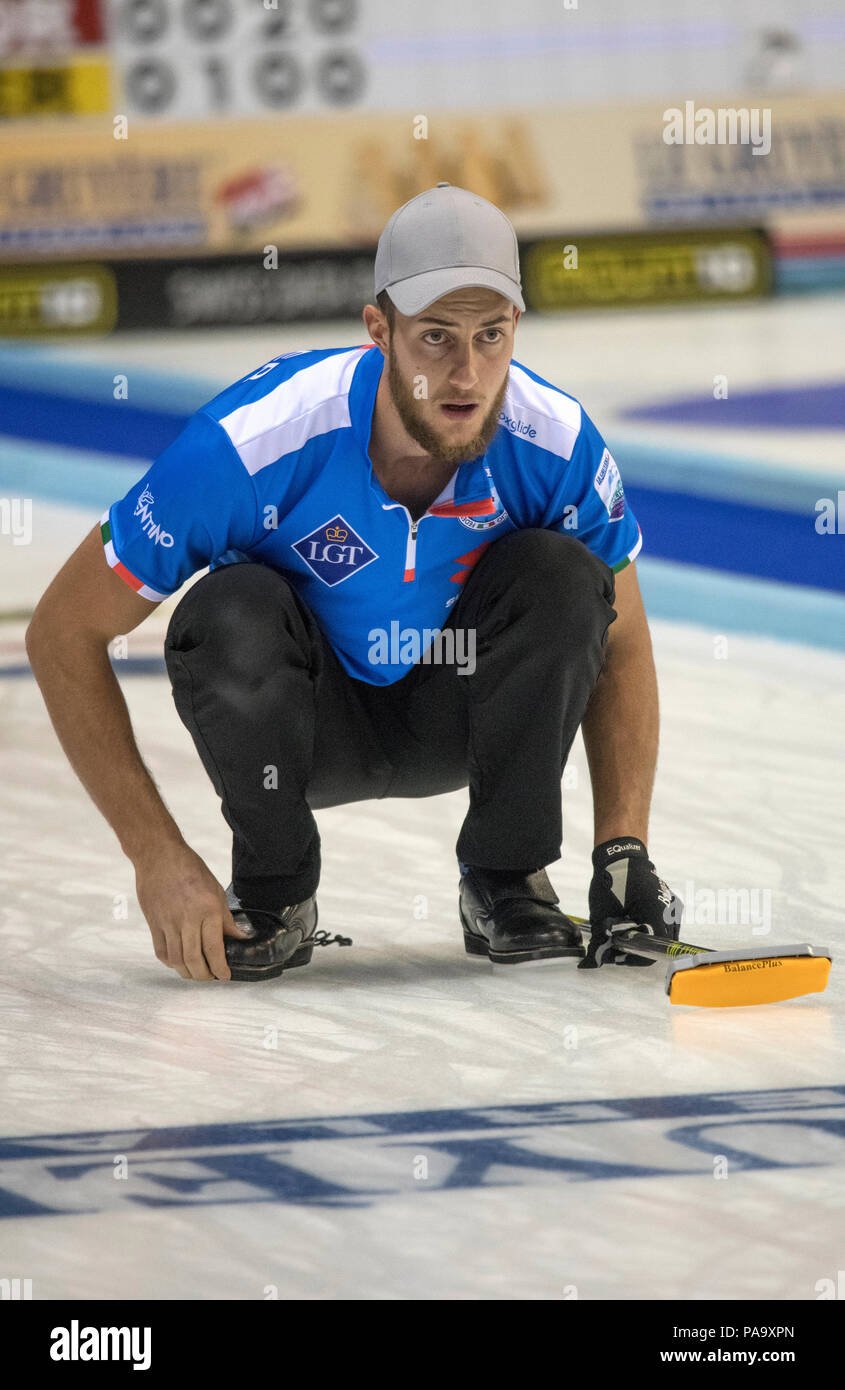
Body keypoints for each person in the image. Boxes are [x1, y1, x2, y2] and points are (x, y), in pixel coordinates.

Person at [26, 183, 681, 984]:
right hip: (308, 729)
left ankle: (507, 877)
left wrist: (622, 849)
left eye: (490, 334)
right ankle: (273, 886)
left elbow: (623, 639)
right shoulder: (250, 442)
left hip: (463, 714)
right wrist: (155, 855)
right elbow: (63, 631)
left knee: (564, 578)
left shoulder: (554, 440)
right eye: (435, 337)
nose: (465, 374)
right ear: (380, 330)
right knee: (228, 610)